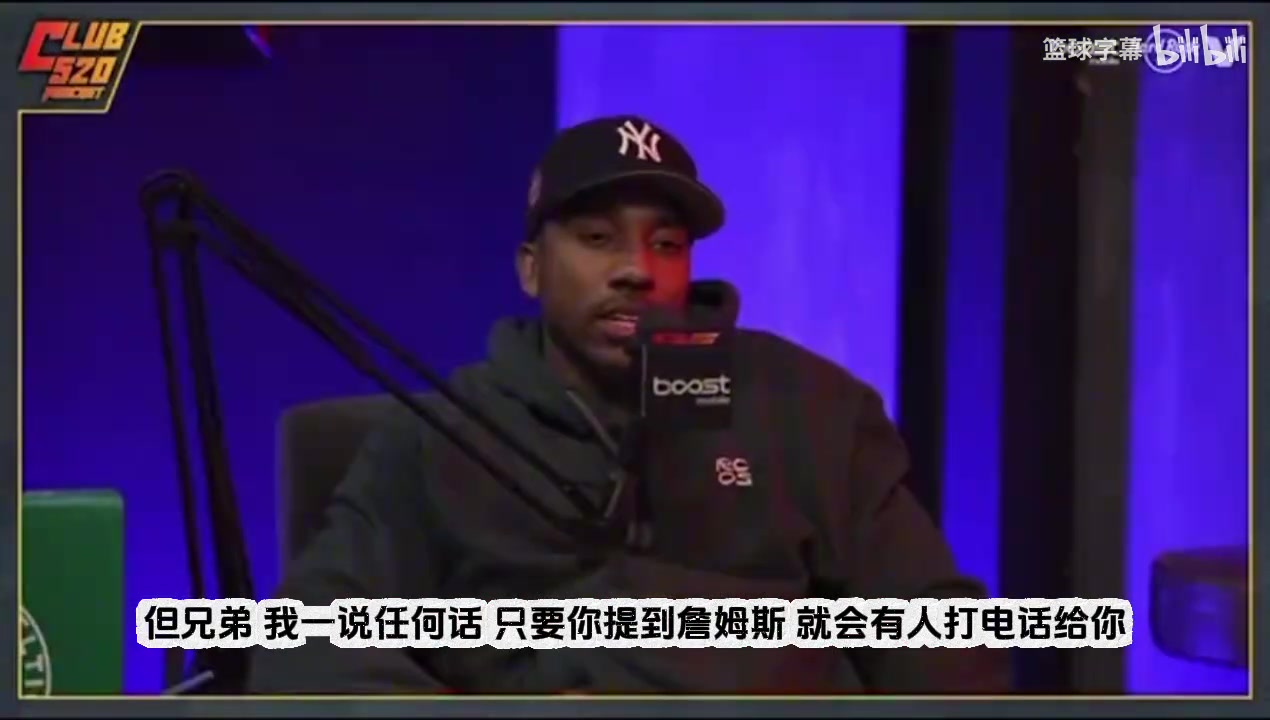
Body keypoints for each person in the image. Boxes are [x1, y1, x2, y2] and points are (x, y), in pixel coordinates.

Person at [246, 115, 1012, 695]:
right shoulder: (440, 434)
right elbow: (306, 644)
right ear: (531, 269)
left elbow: (940, 639)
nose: (637, 270)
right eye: (597, 238)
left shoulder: (810, 406)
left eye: (666, 245)